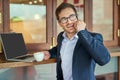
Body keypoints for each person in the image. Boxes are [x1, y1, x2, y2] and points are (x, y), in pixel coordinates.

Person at [43, 2, 111, 80]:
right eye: (64, 19)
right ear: (59, 23)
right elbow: (59, 48)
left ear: (77, 18)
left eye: (72, 16)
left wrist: (82, 32)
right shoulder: (61, 37)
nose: (69, 22)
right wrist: (50, 53)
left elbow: (104, 59)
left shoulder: (93, 37)